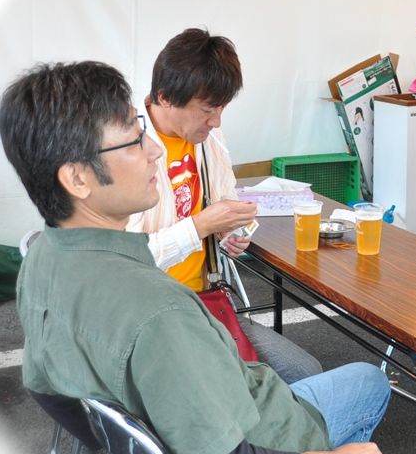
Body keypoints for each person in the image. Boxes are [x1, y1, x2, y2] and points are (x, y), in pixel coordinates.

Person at [0, 61, 416, 454]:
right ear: (77, 178)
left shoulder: (41, 258)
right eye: (134, 140)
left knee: (369, 381)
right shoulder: (158, 312)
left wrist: (140, 444)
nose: (154, 150)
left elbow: (45, 388)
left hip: (246, 416)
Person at [127, 28, 322, 383]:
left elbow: (224, 202)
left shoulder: (209, 137)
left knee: (305, 372)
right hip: (149, 318)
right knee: (242, 391)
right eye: (207, 109)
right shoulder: (123, 152)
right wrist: (201, 226)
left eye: (221, 108)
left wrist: (230, 233)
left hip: (207, 303)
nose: (216, 121)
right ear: (165, 97)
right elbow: (124, 263)